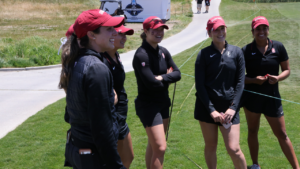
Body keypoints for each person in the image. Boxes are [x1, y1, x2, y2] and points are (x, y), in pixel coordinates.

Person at [59, 9, 126, 169]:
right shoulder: (96, 68)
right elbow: (102, 129)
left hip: (80, 150)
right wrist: (117, 166)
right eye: (109, 29)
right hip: (95, 157)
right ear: (92, 34)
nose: (114, 32)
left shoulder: (77, 61)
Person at [241, 16, 299, 169]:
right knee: (253, 130)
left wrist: (278, 78)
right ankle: (255, 165)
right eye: (258, 29)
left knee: (282, 134)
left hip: (272, 98)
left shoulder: (278, 47)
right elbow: (239, 77)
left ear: (268, 29)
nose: (261, 31)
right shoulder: (246, 50)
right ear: (252, 31)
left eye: (264, 28)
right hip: (252, 99)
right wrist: (254, 80)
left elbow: (287, 70)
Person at [194, 16, 247, 169]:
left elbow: (240, 82)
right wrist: (212, 110)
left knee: (234, 149)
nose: (220, 32)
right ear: (209, 33)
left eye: (222, 28)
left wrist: (233, 107)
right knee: (211, 146)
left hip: (230, 108)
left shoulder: (237, 52)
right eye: (216, 29)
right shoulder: (203, 55)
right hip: (207, 108)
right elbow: (200, 86)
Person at [132, 16, 181, 169]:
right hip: (148, 105)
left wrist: (162, 77)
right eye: (155, 30)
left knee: (154, 146)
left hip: (163, 102)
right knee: (160, 147)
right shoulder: (141, 55)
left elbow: (178, 74)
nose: (159, 32)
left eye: (162, 29)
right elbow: (151, 84)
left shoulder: (163, 51)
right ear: (146, 31)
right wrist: (167, 77)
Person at [100, 25, 134, 169]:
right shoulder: (102, 61)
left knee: (128, 157)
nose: (124, 38)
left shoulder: (116, 56)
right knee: (115, 162)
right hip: (112, 118)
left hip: (121, 116)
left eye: (126, 35)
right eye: (122, 34)